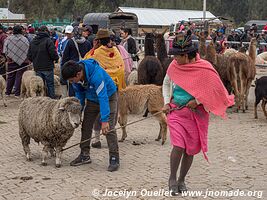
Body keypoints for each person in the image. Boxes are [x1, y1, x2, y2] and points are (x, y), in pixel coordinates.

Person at [162, 33, 234, 195]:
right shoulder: (174, 66)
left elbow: (212, 89)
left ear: (186, 56)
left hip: (196, 114)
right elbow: (166, 83)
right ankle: (172, 178)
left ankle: (182, 180)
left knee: (190, 149)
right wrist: (167, 102)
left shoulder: (204, 68)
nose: (174, 59)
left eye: (177, 56)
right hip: (176, 112)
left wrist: (198, 100)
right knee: (179, 146)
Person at [61, 59, 120, 172]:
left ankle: (114, 157)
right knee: (86, 126)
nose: (72, 82)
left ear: (78, 74)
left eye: (72, 80)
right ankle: (84, 155)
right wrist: (79, 112)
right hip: (92, 99)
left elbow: (103, 97)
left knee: (109, 128)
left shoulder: (96, 75)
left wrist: (104, 120)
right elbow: (79, 94)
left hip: (109, 97)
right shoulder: (76, 79)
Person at [84, 29, 126, 148]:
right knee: (112, 114)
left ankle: (96, 138)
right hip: (114, 87)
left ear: (98, 40)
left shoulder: (96, 53)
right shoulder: (117, 52)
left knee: (99, 113)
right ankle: (111, 140)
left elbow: (85, 63)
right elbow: (121, 68)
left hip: (99, 87)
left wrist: (93, 48)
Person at [27, 25, 59, 99]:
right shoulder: (48, 40)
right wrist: (56, 59)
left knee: (40, 86)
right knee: (50, 84)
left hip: (37, 67)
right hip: (48, 67)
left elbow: (29, 55)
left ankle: (41, 101)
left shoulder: (32, 42)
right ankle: (51, 100)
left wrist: (34, 60)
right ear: (45, 31)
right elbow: (53, 53)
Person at [61, 25, 92, 96]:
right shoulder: (87, 43)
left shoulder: (70, 42)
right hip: (84, 69)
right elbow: (90, 56)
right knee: (84, 89)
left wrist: (63, 72)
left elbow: (64, 58)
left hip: (72, 69)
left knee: (73, 89)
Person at [3, 25, 29, 97]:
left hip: (11, 60)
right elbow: (27, 49)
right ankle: (17, 93)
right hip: (23, 61)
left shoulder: (8, 39)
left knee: (10, 76)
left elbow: (5, 51)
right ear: (21, 31)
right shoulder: (25, 39)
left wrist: (9, 57)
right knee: (19, 77)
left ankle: (7, 92)